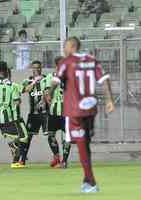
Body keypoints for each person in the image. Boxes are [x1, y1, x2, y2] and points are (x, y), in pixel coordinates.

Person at [47, 37, 115, 193]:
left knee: (81, 144)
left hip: (75, 110)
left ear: (72, 46)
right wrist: (110, 100)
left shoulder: (67, 62)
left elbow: (56, 80)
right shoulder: (92, 60)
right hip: (90, 108)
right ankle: (87, 181)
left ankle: (91, 182)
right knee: (85, 143)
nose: (64, 50)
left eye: (65, 46)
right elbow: (104, 79)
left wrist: (49, 93)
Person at [44, 56, 71, 168]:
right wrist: (47, 99)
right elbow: (46, 93)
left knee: (68, 137)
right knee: (50, 135)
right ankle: (57, 157)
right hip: (54, 112)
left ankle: (64, 161)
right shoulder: (50, 77)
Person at [20, 60, 49, 166]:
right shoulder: (28, 80)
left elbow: (50, 91)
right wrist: (34, 82)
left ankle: (58, 159)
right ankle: (22, 160)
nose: (36, 70)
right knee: (27, 137)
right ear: (32, 69)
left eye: (38, 68)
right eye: (34, 68)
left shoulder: (46, 78)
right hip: (33, 114)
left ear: (41, 68)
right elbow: (24, 90)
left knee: (51, 135)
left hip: (46, 113)